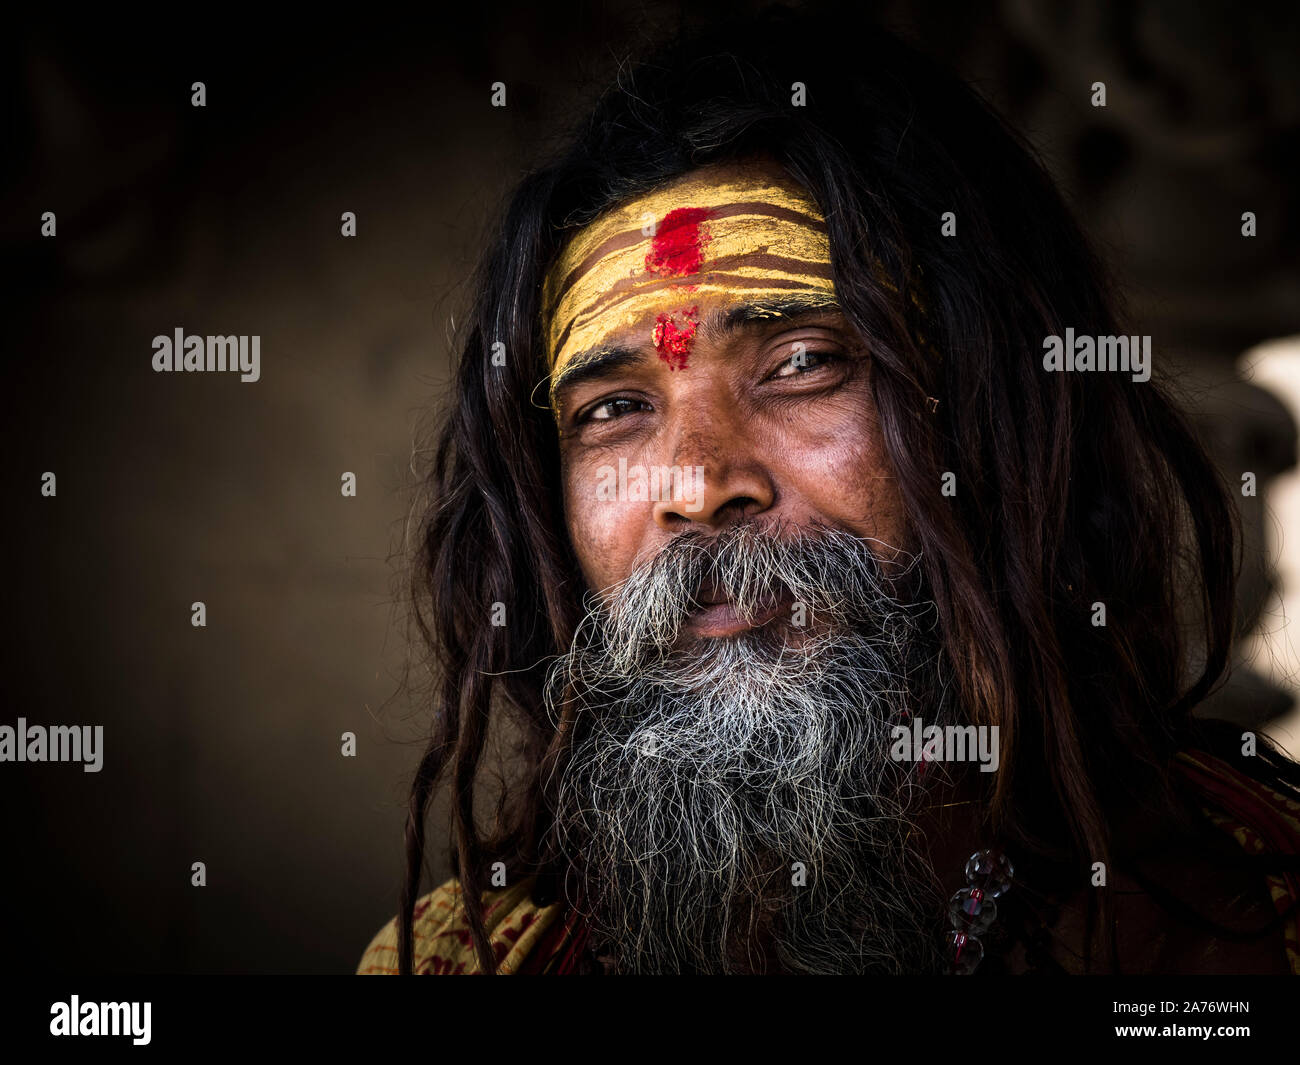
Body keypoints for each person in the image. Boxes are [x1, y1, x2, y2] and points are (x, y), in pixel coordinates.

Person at [357, 12, 1300, 975]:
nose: (696, 484)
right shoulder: (467, 957)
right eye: (614, 409)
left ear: (993, 414)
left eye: (802, 363)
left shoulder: (1253, 922)